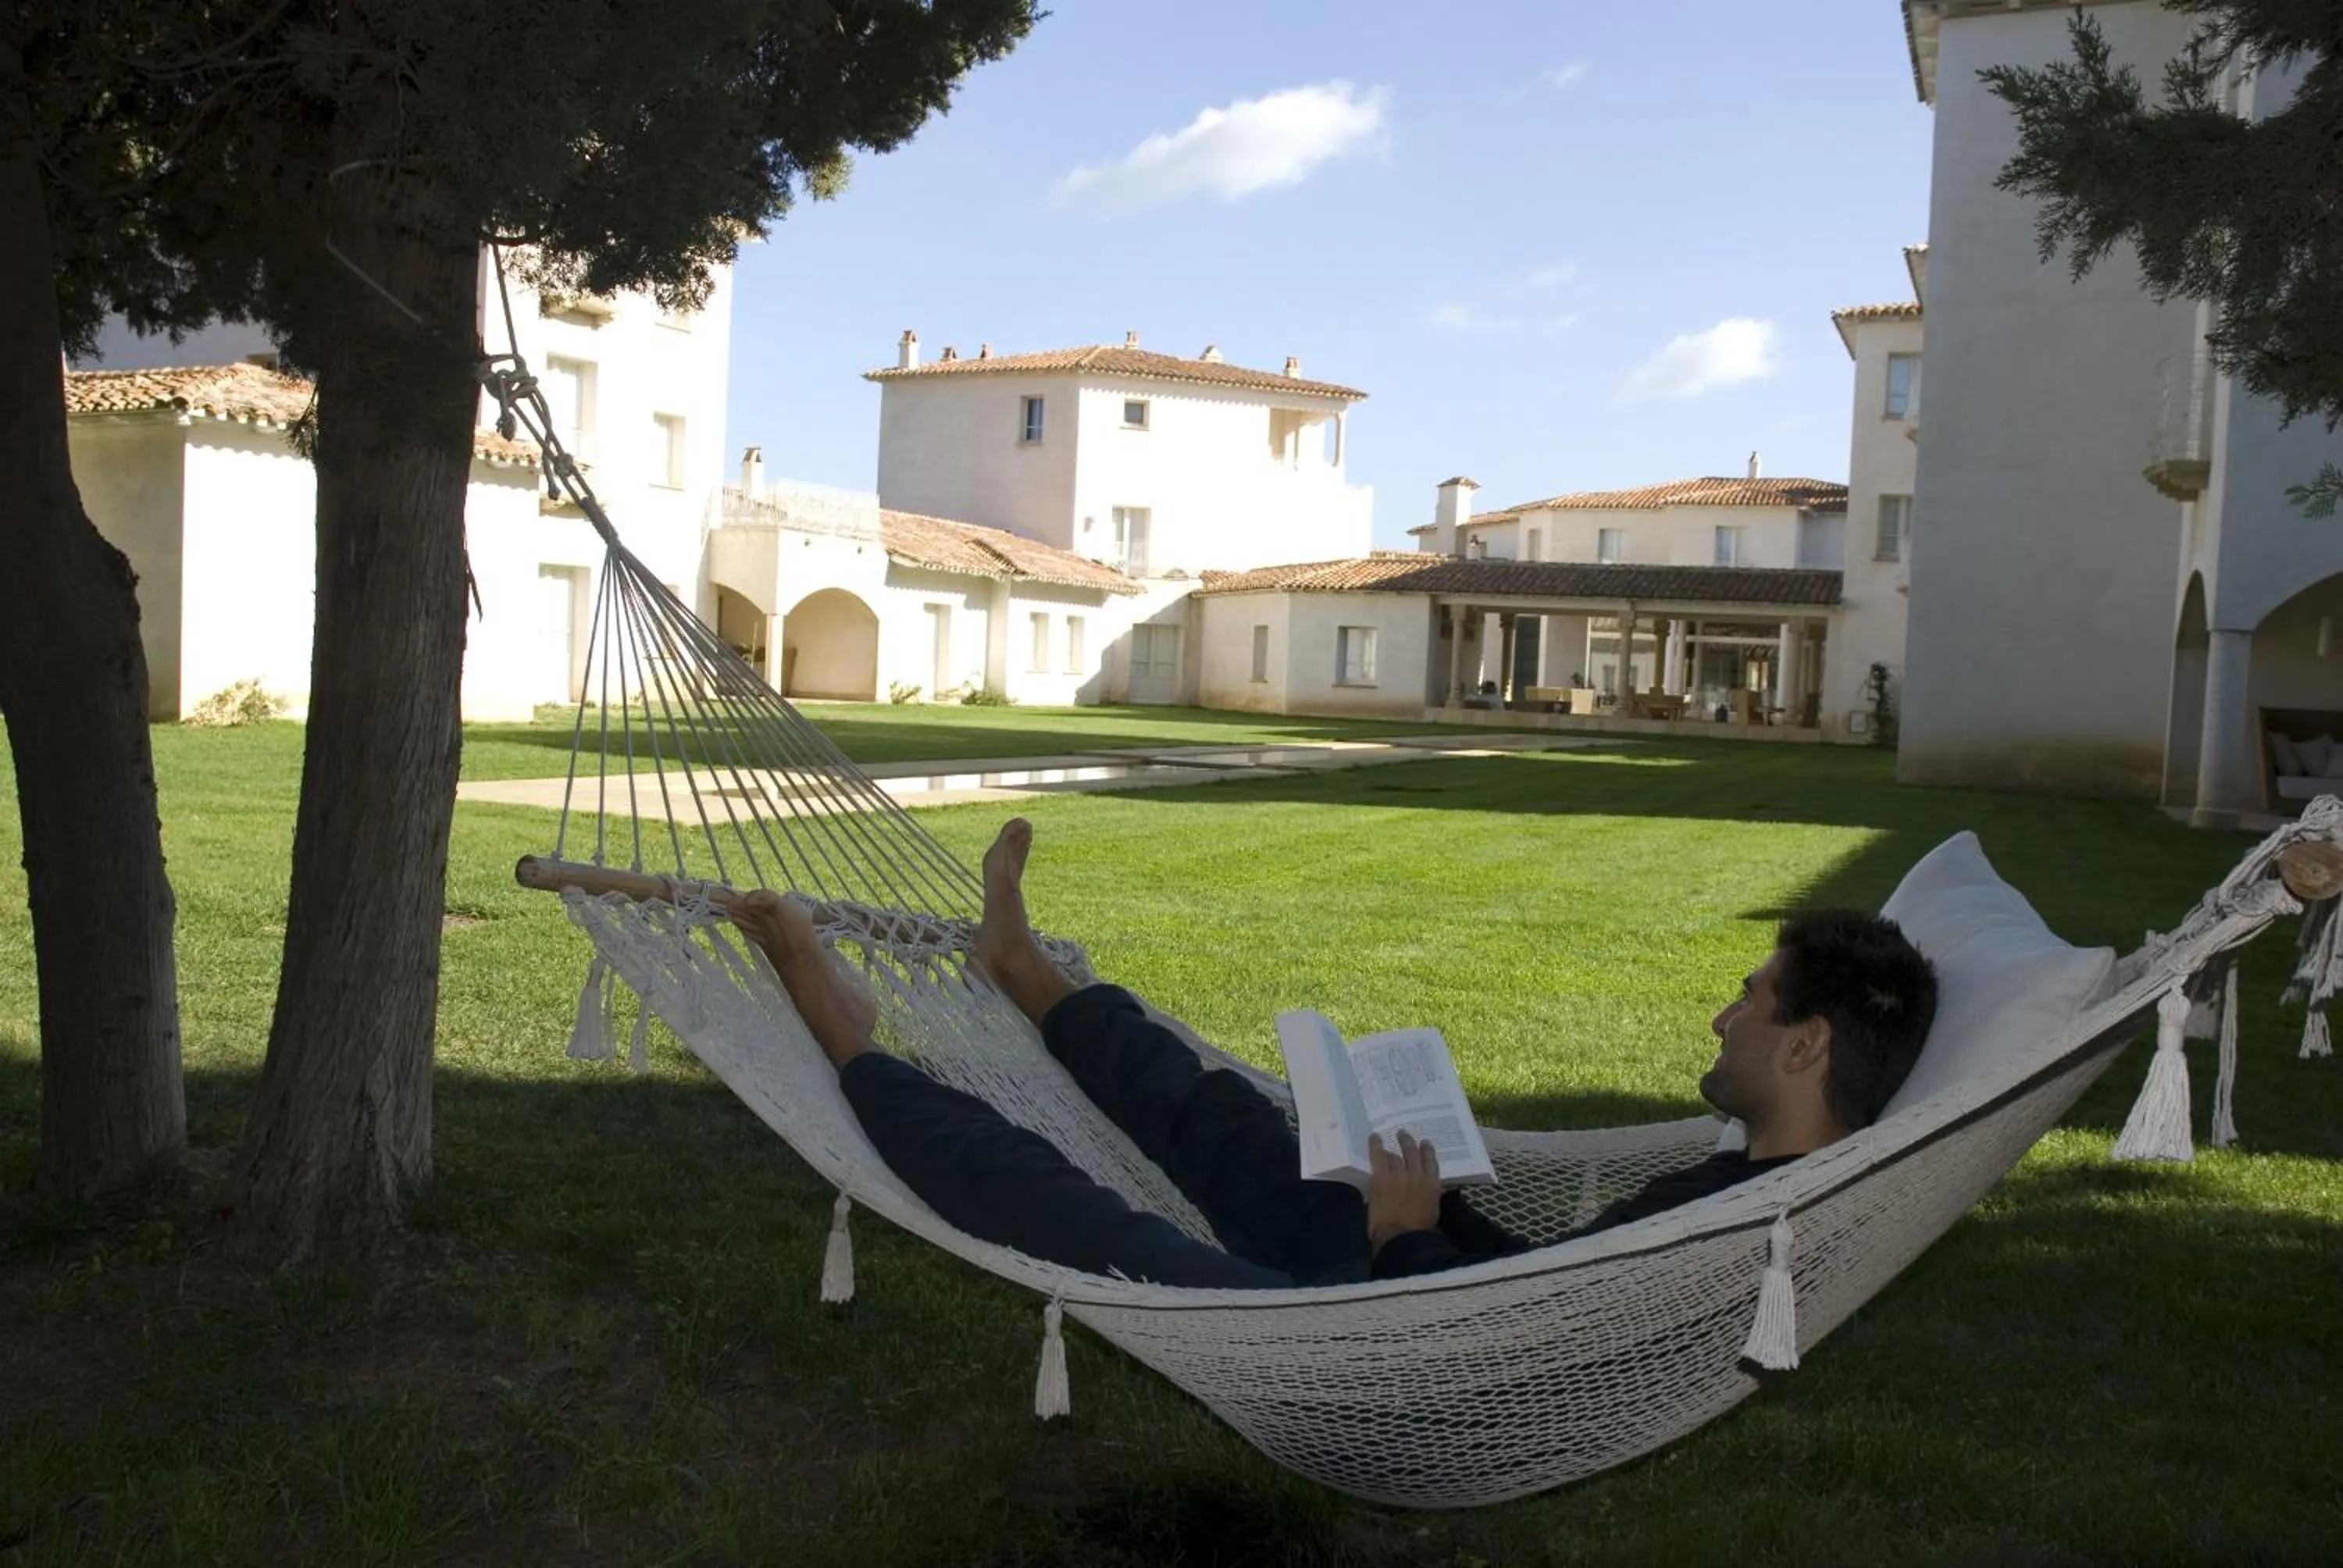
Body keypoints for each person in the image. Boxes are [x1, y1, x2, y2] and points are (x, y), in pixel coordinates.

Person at [732, 820, 1938, 1290]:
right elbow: (1548, 1292)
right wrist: (1438, 1215)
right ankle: (1022, 970)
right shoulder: (1753, 1186)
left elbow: (1497, 1350)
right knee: (1231, 1117)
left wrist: (1408, 1237)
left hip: (1377, 1341)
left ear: (1810, 1043)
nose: (1724, 1018)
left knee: (1079, 1219)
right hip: (1412, 1283)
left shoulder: (1745, 1208)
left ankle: (849, 1038)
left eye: (1750, 1000)